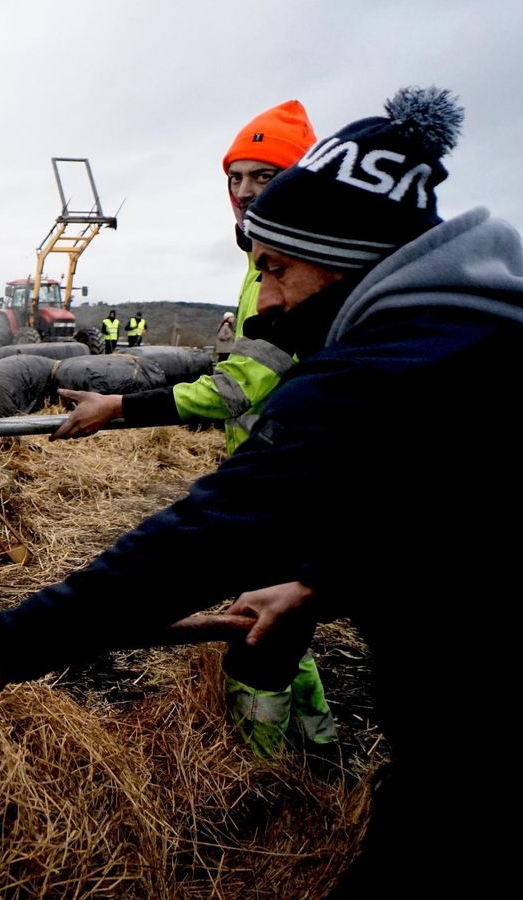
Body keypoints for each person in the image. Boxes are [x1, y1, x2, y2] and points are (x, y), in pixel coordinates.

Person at [0, 87, 523, 892]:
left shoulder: (371, 376)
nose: (264, 299)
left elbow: (202, 538)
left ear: (343, 260)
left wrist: (5, 643)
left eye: (276, 268)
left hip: (508, 763)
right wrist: (316, 584)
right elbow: (463, 522)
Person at [57, 99, 335, 758]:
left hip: (287, 480)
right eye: (235, 178)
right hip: (273, 469)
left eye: (262, 177)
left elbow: (240, 385)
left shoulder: (298, 274)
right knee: (281, 616)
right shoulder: (262, 263)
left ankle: (261, 772)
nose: (242, 192)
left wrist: (116, 409)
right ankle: (321, 747)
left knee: (254, 632)